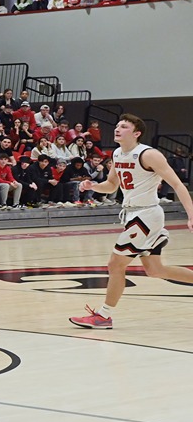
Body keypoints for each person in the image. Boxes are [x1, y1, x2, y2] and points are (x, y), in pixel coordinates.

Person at [68, 114, 193, 329]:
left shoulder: (148, 154)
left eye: (124, 126)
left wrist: (191, 214)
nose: (117, 129)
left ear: (136, 133)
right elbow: (111, 185)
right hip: (134, 215)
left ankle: (104, 316)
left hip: (146, 215)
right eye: (117, 125)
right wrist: (92, 186)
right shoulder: (117, 153)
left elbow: (178, 184)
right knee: (155, 270)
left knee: (115, 264)